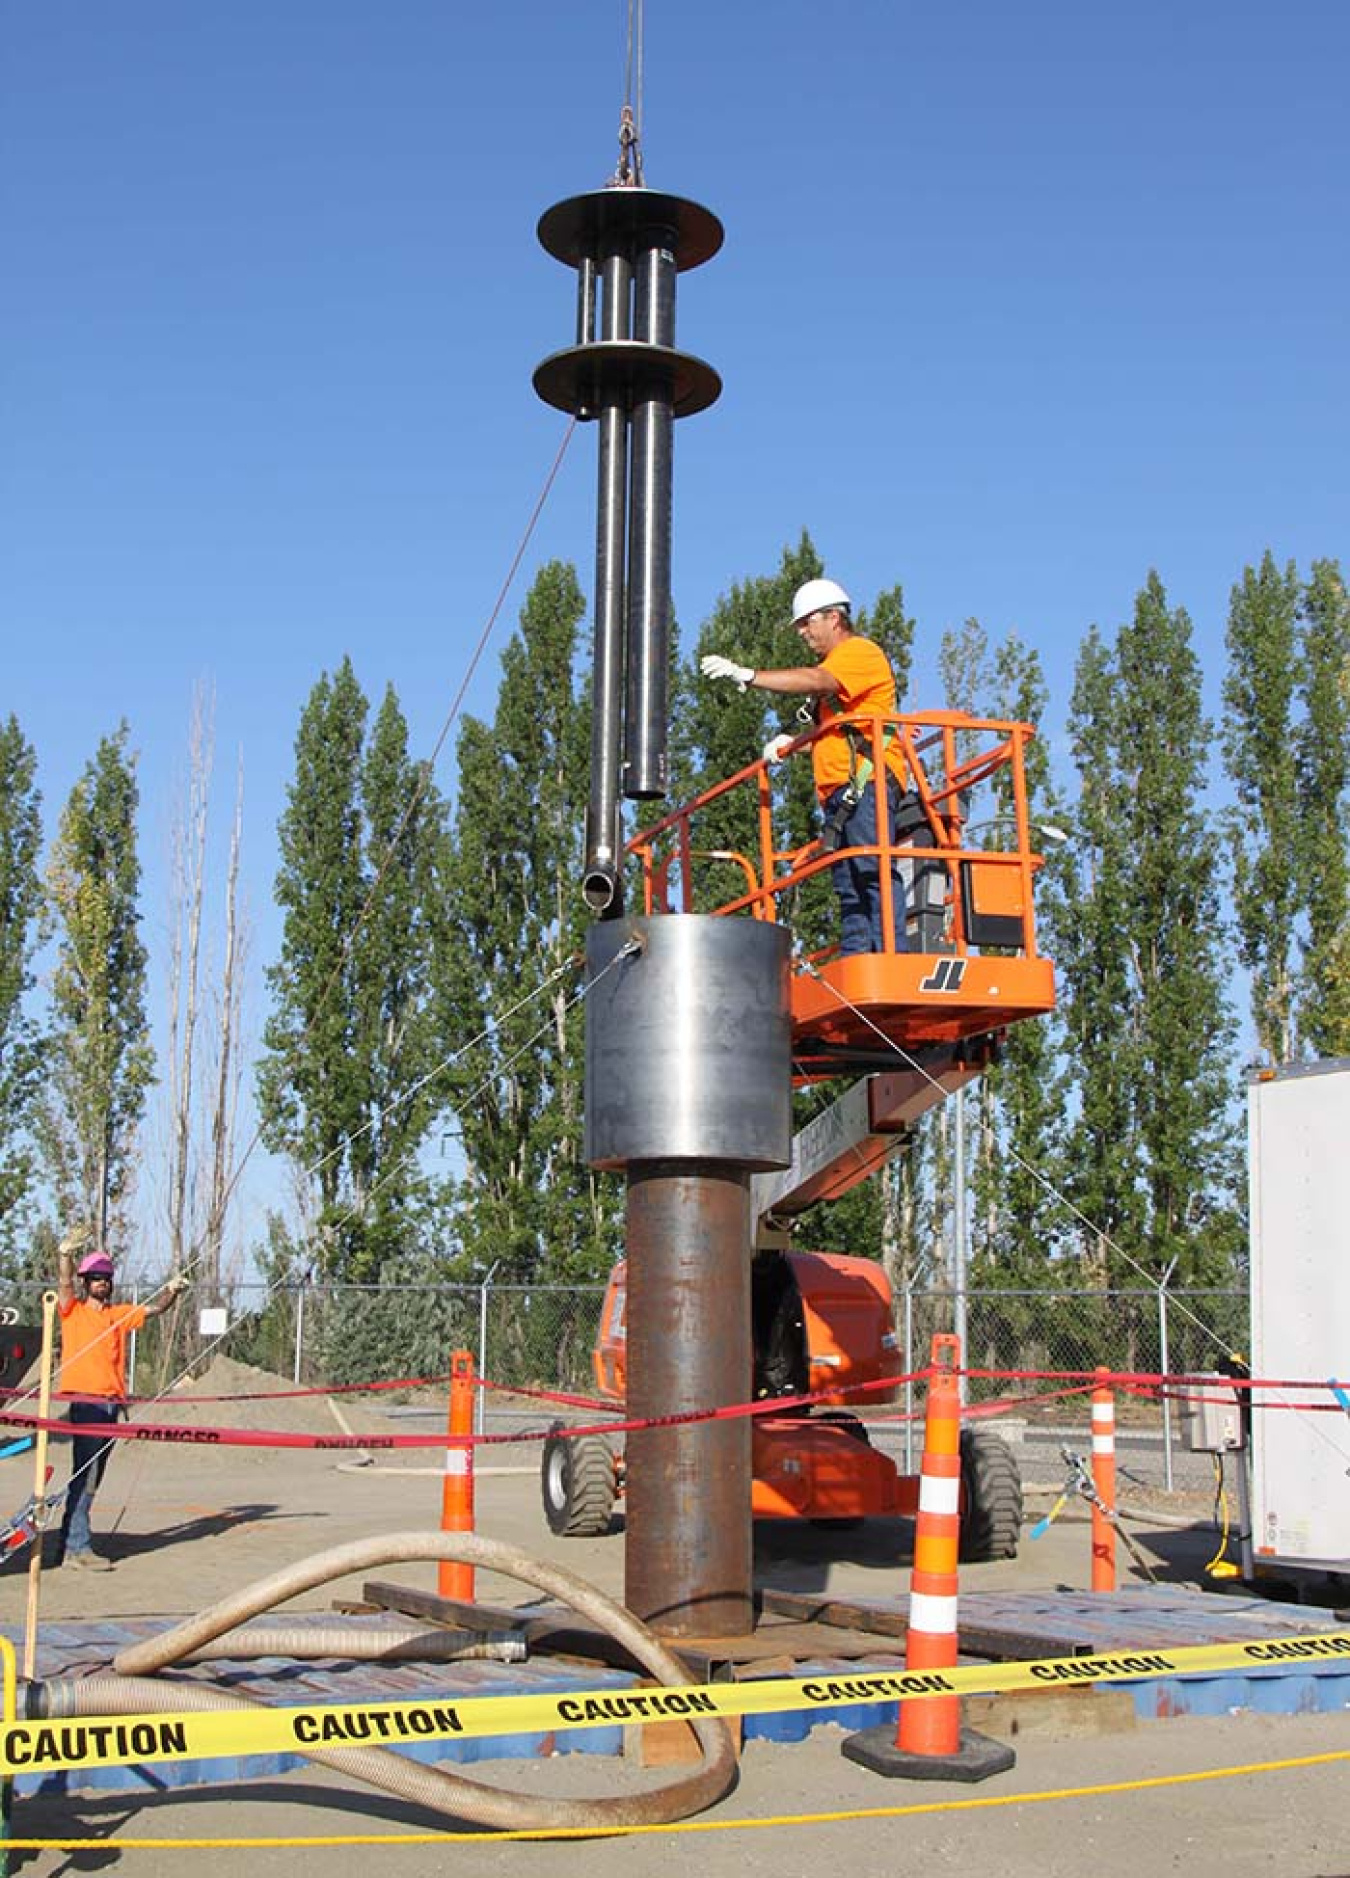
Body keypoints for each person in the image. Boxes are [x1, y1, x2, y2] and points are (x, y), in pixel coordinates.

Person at [701, 577, 909, 955]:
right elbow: (834, 730)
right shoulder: (836, 671)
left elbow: (817, 679)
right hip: (841, 791)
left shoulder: (859, 654)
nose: (802, 631)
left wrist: (749, 676)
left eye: (806, 622)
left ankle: (890, 956)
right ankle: (858, 958)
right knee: (849, 881)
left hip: (869, 780)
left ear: (834, 617)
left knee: (871, 868)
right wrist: (793, 744)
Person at [55, 1228, 186, 1569]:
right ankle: (76, 1547)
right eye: (95, 1278)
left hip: (111, 1404)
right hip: (87, 1403)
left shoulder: (117, 1316)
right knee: (85, 1475)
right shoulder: (73, 1312)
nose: (101, 1283)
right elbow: (64, 1286)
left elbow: (155, 1309)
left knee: (93, 1477)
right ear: (86, 1282)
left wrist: (172, 1292)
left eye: (106, 1278)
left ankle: (71, 1541)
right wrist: (66, 1255)